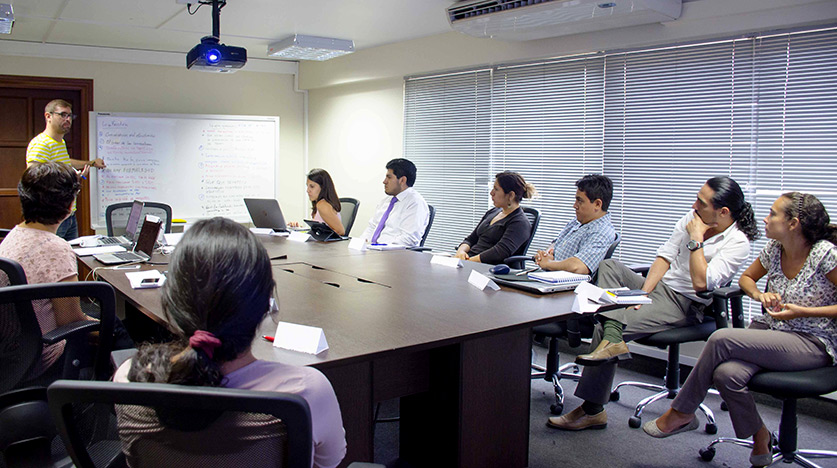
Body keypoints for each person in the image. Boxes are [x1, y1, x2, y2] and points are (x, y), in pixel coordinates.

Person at [114, 217, 347, 468]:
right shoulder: (306, 392)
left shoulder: (131, 379)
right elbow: (328, 462)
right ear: (266, 305)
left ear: (172, 302)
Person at [547, 176, 759, 431]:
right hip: (657, 288)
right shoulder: (692, 218)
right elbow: (664, 257)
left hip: (684, 302)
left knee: (605, 327)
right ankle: (614, 338)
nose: (694, 205)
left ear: (723, 211)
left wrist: (696, 240)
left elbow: (702, 282)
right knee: (608, 266)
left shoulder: (737, 242)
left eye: (701, 202)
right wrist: (642, 294)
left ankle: (593, 410)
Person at [642, 192, 837, 468]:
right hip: (772, 332)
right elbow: (747, 278)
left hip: (812, 342)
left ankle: (682, 411)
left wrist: (803, 311)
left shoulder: (824, 255)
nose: (765, 219)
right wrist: (759, 295)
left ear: (793, 223)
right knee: (726, 374)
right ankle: (761, 436)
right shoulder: (774, 248)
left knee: (721, 337)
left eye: (772, 213)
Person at [0, 162, 132, 380]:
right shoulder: (55, 248)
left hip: (16, 351)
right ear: (70, 204)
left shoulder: (14, 234)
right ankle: (130, 397)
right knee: (115, 325)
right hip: (46, 356)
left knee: (109, 320)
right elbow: (70, 321)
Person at [26, 99, 106, 241]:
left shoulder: (59, 142)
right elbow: (34, 180)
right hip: (52, 216)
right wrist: (69, 180)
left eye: (70, 116)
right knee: (53, 259)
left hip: (68, 214)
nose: (67, 119)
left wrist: (90, 163)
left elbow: (63, 162)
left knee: (69, 257)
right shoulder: (41, 144)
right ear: (48, 116)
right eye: (62, 115)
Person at [532, 174, 617, 275]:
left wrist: (549, 264)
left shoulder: (602, 232)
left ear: (597, 204)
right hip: (547, 277)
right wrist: (547, 253)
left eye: (580, 201)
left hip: (568, 287)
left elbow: (579, 266)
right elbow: (556, 242)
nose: (574, 205)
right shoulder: (577, 222)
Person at [454, 171, 535, 264]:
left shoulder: (520, 223)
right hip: (470, 262)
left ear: (511, 195)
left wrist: (467, 262)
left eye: (496, 189)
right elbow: (471, 239)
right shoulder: (493, 212)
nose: (491, 193)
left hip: (488, 268)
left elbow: (499, 252)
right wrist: (461, 252)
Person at [360, 158, 430, 247]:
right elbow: (372, 227)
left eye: (389, 177)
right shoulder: (386, 201)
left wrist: (381, 248)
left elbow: (409, 239)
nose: (384, 181)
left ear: (402, 180)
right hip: (374, 252)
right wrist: (361, 244)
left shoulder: (415, 203)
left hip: (394, 256)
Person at [290, 168, 345, 236]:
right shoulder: (320, 204)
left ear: (323, 187)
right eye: (307, 186)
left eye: (312, 186)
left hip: (326, 246)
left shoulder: (322, 205)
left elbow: (340, 231)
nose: (308, 190)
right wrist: (299, 229)